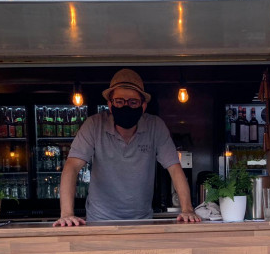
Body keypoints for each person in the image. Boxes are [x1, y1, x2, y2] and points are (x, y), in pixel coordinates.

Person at [54, 69, 200, 226]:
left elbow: (174, 168)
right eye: (119, 101)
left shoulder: (155, 126)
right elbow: (72, 166)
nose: (125, 106)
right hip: (99, 220)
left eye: (133, 102)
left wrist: (187, 209)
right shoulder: (94, 125)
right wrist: (67, 214)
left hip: (141, 221)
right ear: (110, 105)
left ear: (143, 106)